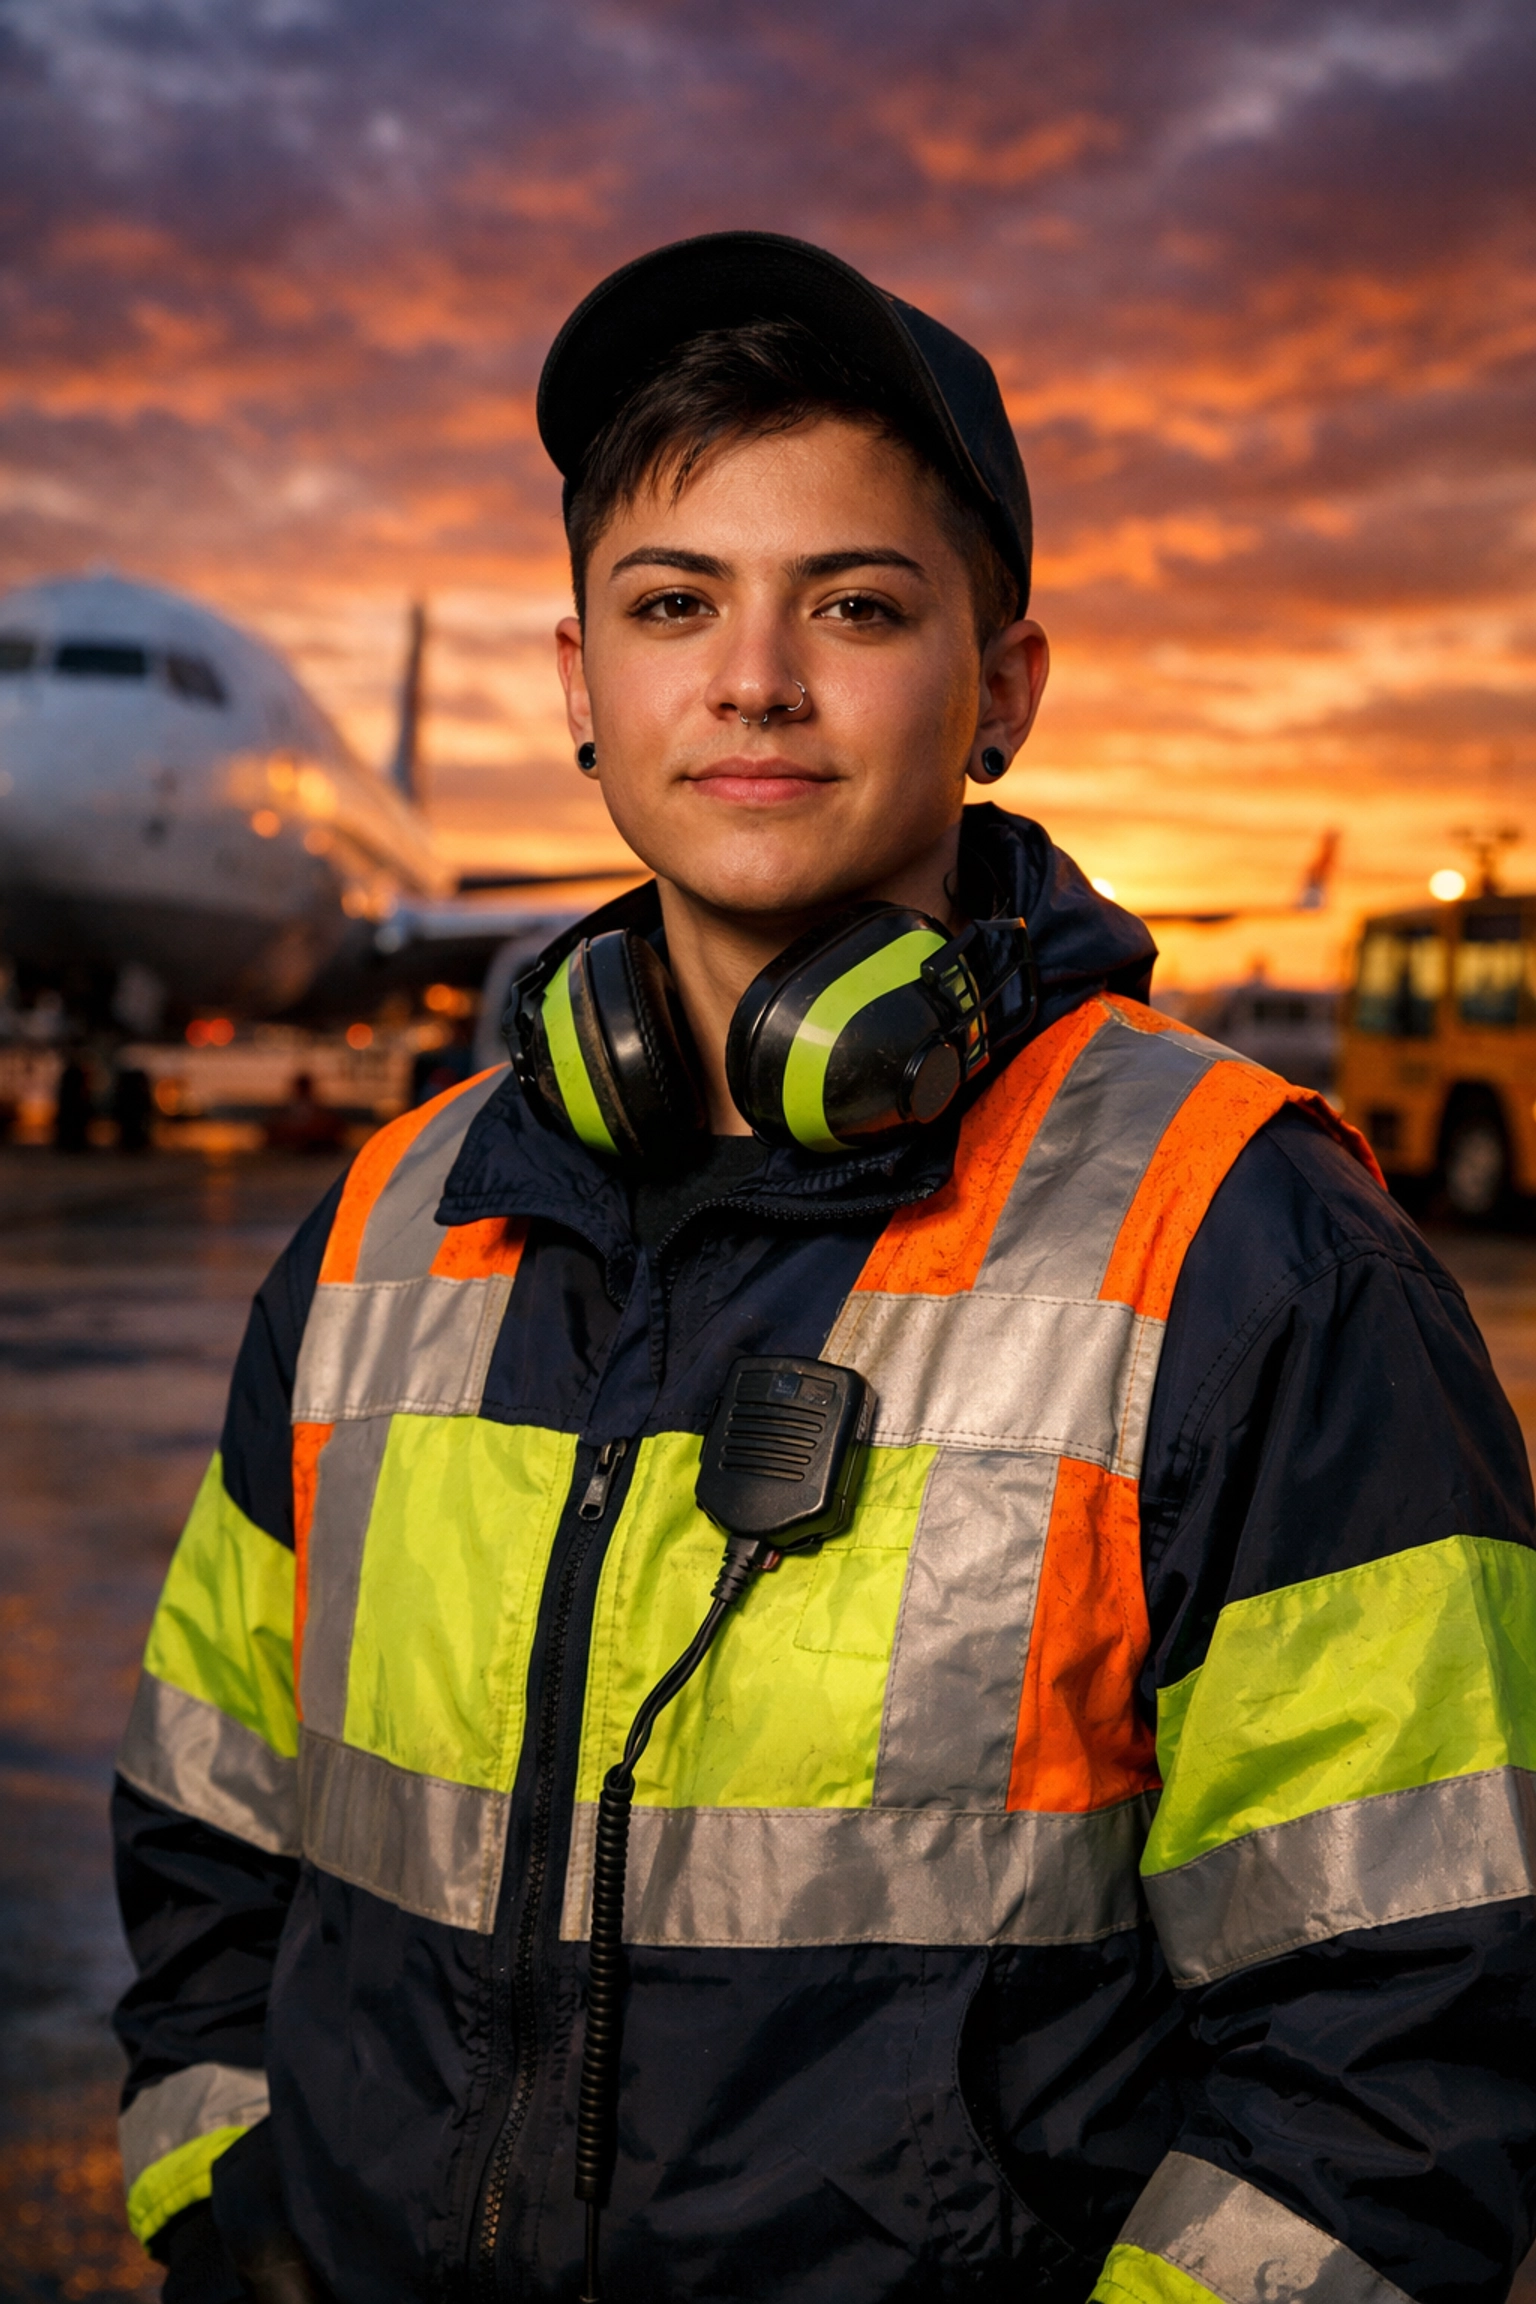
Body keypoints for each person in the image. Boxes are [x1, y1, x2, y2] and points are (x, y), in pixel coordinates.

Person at [112, 233, 1536, 2304]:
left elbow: (1409, 2045)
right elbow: (202, 1827)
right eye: (672, 603)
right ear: (580, 688)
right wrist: (235, 2226)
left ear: (1005, 691)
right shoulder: (390, 1215)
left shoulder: (1252, 1247)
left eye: (855, 606)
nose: (752, 680)